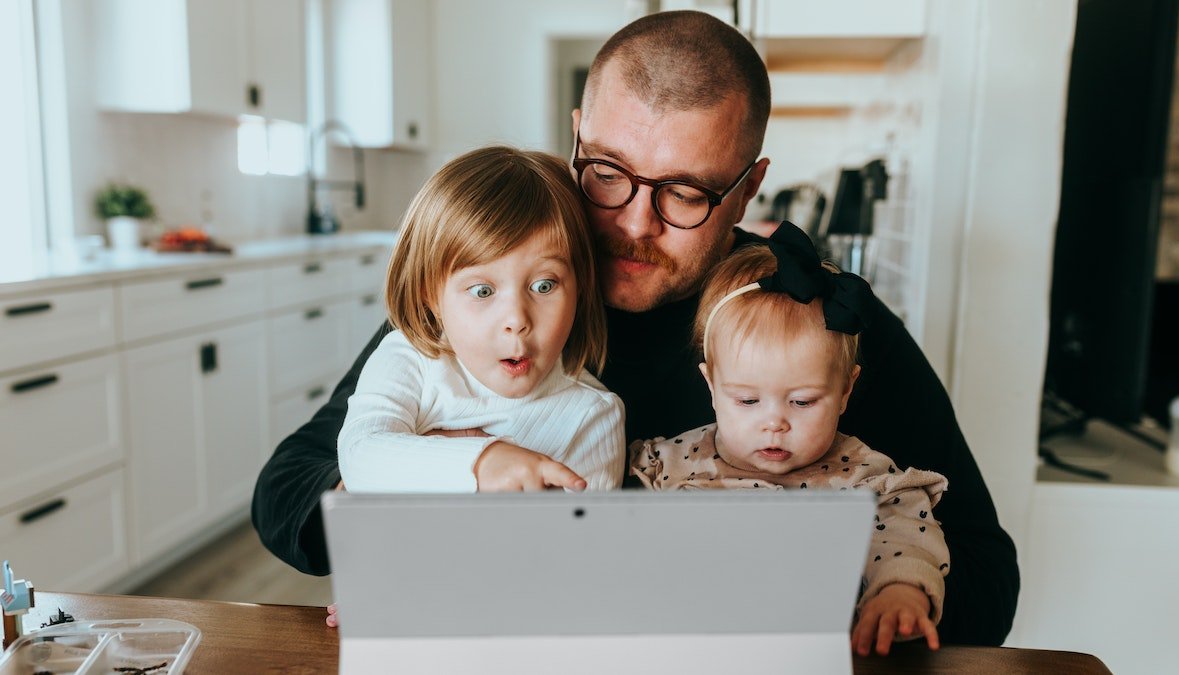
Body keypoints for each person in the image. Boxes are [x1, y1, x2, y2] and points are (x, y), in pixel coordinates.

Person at [253, 10, 1019, 645]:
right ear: (577, 135)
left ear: (749, 186)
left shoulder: (810, 316)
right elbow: (286, 492)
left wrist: (853, 591)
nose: (632, 224)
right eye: (608, 173)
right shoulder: (493, 298)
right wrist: (416, 504)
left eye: (685, 192)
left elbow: (986, 567)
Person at [629, 224, 950, 656]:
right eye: (746, 399)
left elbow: (904, 541)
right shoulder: (665, 464)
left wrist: (901, 595)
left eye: (801, 402)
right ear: (711, 385)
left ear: (845, 391)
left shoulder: (866, 481)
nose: (774, 423)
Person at [337, 145, 624, 496]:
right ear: (431, 296)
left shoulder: (592, 417)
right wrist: (482, 463)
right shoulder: (408, 361)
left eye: (544, 285)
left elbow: (580, 545)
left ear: (579, 288)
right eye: (483, 292)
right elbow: (360, 456)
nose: (517, 320)